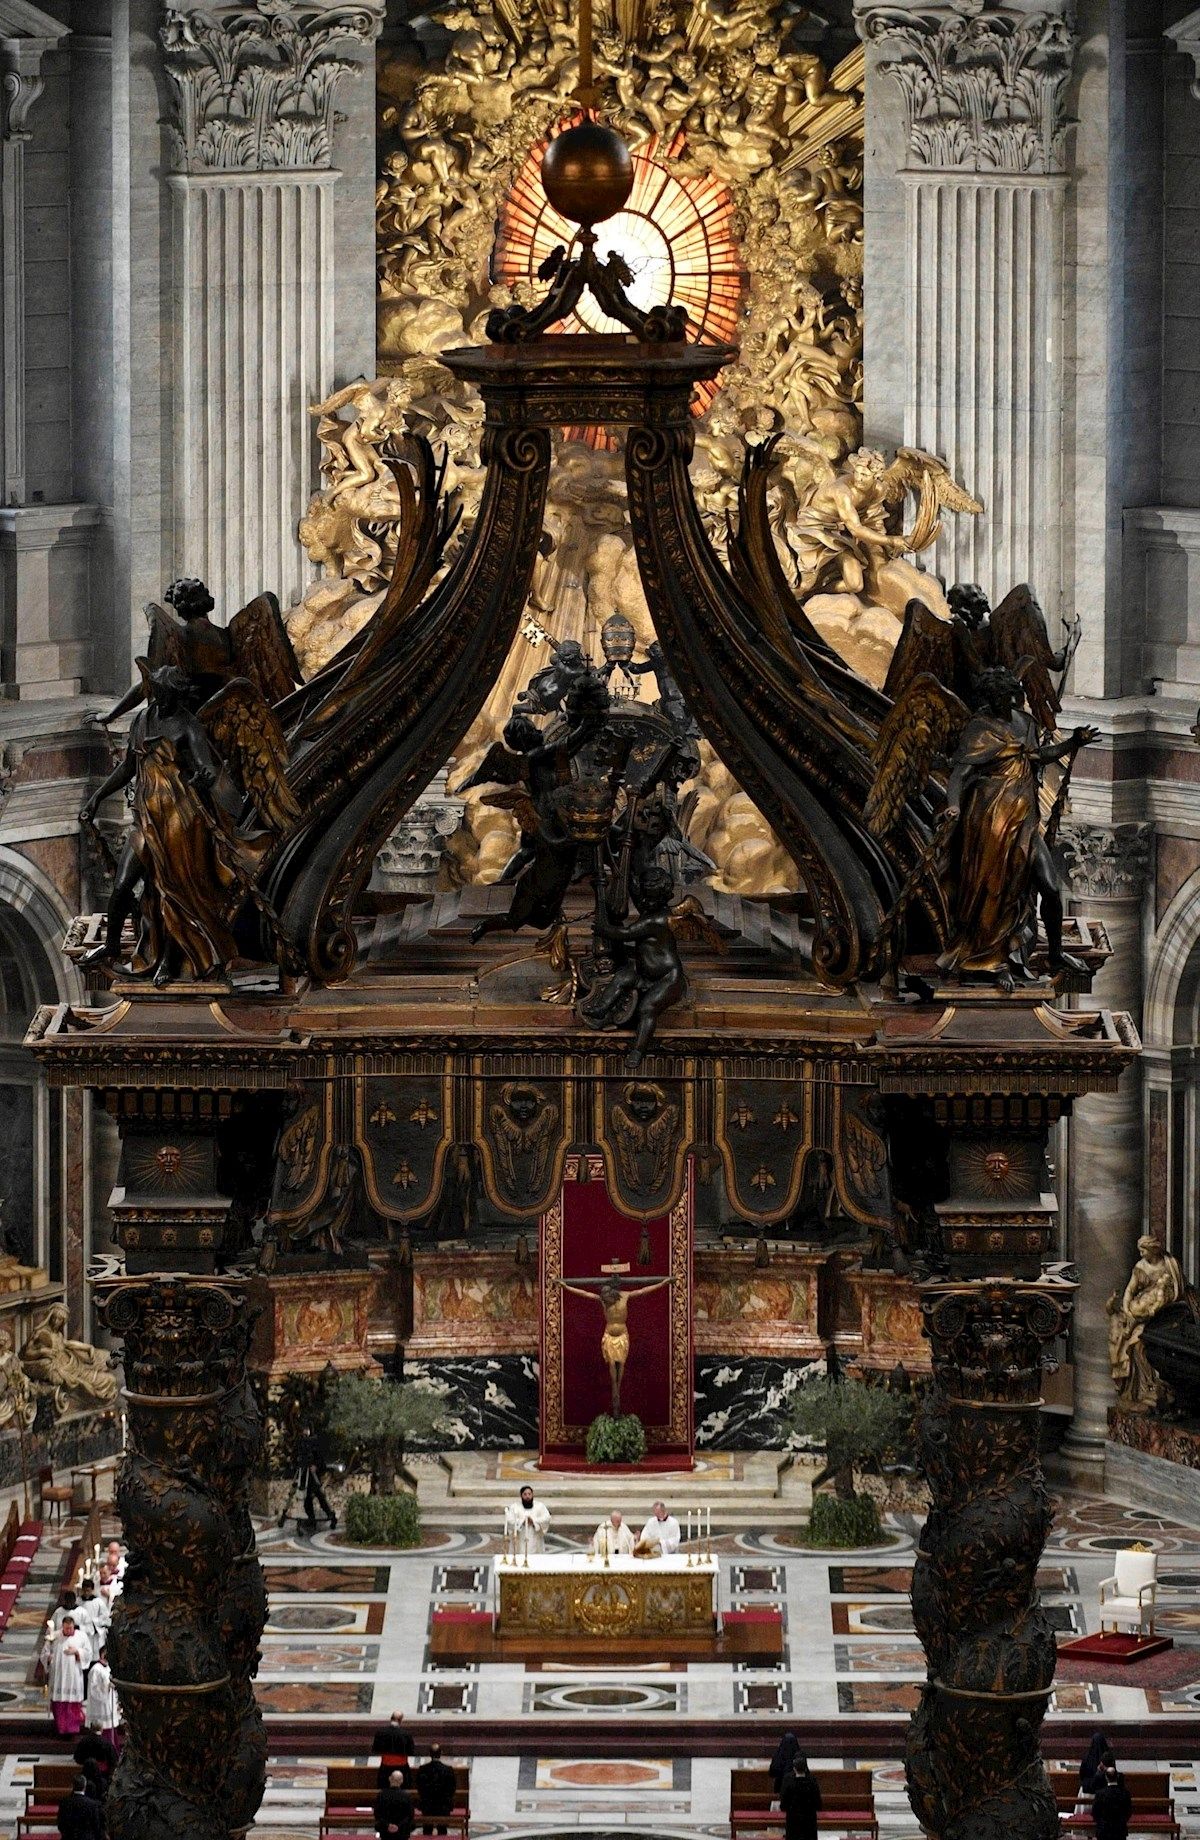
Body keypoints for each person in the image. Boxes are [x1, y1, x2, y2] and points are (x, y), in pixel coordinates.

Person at [45, 1615, 87, 1737]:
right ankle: (61, 1728)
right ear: (62, 1627)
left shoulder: (81, 1636)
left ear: (74, 1626)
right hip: (58, 1676)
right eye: (66, 1628)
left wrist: (77, 1652)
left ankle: (72, 1729)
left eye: (70, 1628)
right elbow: (45, 1652)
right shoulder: (54, 1636)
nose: (68, 1630)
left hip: (74, 1675)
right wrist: (48, 1657)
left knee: (73, 1703)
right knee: (59, 1703)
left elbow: (88, 1653)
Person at [298, 1424, 337, 1530]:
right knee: (310, 1498)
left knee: (318, 1496)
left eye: (306, 1429)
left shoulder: (315, 1442)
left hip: (314, 1475)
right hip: (306, 1474)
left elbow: (321, 1460)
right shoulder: (302, 1442)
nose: (304, 1432)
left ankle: (328, 1516)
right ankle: (314, 1519)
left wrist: (315, 1466)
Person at [414, 1742, 457, 1836]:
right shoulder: (448, 1770)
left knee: (427, 1830)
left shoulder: (423, 1769)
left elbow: (419, 1787)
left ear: (429, 1754)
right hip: (443, 1805)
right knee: (442, 1830)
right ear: (441, 1753)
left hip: (427, 1805)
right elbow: (452, 1788)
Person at [779, 1754, 822, 1840]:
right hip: (809, 1821)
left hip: (793, 1820)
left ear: (794, 1769)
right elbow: (818, 1803)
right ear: (805, 1768)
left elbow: (783, 1802)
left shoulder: (789, 1783)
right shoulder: (812, 1782)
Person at [85, 1648, 121, 1751]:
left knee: (111, 1729)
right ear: (101, 1654)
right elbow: (93, 1689)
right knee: (105, 1729)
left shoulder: (109, 1667)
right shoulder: (96, 1669)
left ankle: (113, 1752)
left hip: (110, 1702)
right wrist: (107, 1686)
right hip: (100, 1706)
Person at [1091, 1752, 1133, 1840]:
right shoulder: (1125, 1793)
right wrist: (1122, 1822)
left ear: (1106, 1778)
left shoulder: (1100, 1794)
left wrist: (1101, 1823)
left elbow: (1095, 1812)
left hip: (1104, 1830)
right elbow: (1128, 1811)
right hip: (1120, 1830)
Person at [504, 1484, 550, 1556]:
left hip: (535, 1539)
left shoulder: (540, 1506)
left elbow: (546, 1518)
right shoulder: (515, 1506)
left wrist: (533, 1521)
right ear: (521, 1495)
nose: (527, 1496)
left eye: (529, 1494)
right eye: (525, 1494)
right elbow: (510, 1520)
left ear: (532, 1494)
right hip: (519, 1539)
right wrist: (522, 1522)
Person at [371, 1710, 412, 1790]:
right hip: (402, 1767)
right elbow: (411, 1751)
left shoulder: (380, 1733)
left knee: (384, 1788)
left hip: (385, 1767)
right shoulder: (406, 1734)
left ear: (391, 1718)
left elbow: (376, 1749)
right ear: (401, 1720)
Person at [55, 1775, 103, 1840]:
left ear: (72, 1786)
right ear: (85, 1786)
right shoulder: (92, 1804)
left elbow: (60, 1824)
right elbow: (96, 1826)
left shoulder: (64, 1802)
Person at [74, 1723, 117, 1793]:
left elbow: (77, 1758)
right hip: (102, 1773)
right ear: (101, 1729)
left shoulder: (83, 1741)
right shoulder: (107, 1743)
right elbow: (113, 1760)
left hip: (86, 1772)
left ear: (91, 1729)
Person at [374, 1769, 414, 1840]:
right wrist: (398, 1826)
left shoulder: (381, 1795)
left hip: (385, 1832)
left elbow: (377, 1814)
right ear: (402, 1781)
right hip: (402, 1832)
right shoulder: (406, 1796)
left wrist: (388, 1825)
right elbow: (410, 1815)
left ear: (389, 1779)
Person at [769, 1732, 801, 1797]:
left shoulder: (778, 1756)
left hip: (780, 1790)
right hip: (797, 1792)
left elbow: (772, 1772)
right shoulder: (800, 1757)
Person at [1079, 1731, 1110, 1796]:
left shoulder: (1087, 1758)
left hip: (1088, 1791)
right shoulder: (1109, 1758)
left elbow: (1081, 1775)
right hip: (1105, 1792)